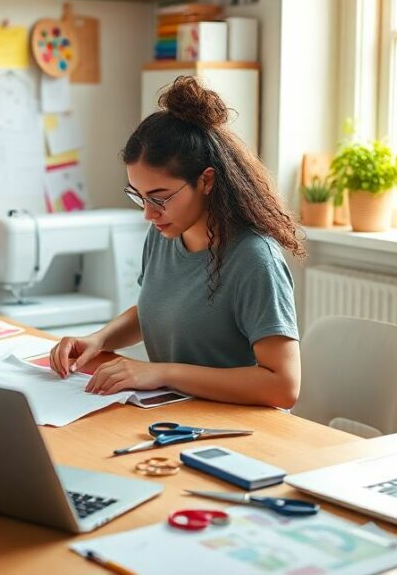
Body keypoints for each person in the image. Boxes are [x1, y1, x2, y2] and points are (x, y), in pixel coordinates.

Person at [48, 77, 305, 408]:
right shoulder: (163, 233)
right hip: (174, 414)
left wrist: (162, 373)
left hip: (236, 429)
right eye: (139, 197)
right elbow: (157, 310)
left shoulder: (254, 259)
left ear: (206, 180)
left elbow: (283, 385)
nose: (148, 214)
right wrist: (99, 339)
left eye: (160, 197)